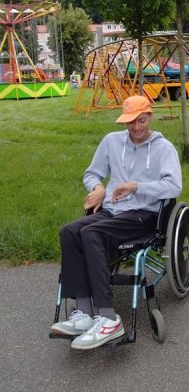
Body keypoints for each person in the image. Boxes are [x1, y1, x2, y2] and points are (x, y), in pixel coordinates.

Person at [50, 95, 182, 349]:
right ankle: (84, 313)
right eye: (131, 122)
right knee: (69, 231)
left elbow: (173, 186)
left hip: (143, 214)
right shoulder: (111, 141)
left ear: (150, 117)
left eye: (141, 120)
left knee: (91, 234)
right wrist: (98, 188)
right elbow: (92, 173)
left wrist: (136, 186)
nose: (136, 127)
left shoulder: (164, 148)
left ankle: (109, 318)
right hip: (112, 210)